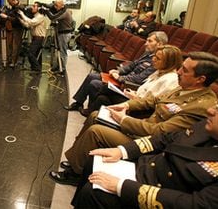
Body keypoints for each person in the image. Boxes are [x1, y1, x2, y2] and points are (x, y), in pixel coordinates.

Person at [50, 51, 218, 186]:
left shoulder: (201, 106)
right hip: (143, 127)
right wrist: (127, 106)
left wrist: (124, 120)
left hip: (150, 143)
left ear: (200, 79)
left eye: (185, 70)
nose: (178, 72)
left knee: (96, 132)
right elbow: (153, 100)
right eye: (181, 67)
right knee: (96, 115)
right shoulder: (184, 88)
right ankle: (77, 160)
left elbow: (160, 132)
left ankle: (75, 174)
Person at [71, 104, 218, 208]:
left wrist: (122, 186)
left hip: (161, 195)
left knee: (94, 193)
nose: (211, 110)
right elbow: (164, 139)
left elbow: (196, 204)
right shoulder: (206, 127)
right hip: (148, 169)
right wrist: (121, 151)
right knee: (96, 161)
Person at [64, 31, 168, 113]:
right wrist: (118, 71)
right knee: (92, 76)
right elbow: (132, 65)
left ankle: (91, 109)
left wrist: (119, 78)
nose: (146, 44)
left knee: (94, 83)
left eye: (150, 41)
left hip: (128, 85)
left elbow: (138, 79)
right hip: (123, 79)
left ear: (159, 44)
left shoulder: (158, 61)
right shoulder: (148, 54)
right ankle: (78, 103)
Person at [84, 45, 182, 115]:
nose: (153, 60)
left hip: (140, 109)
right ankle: (92, 116)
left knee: (105, 88)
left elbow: (154, 103)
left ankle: (90, 112)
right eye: (154, 56)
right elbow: (143, 88)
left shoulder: (170, 80)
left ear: (169, 62)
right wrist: (133, 92)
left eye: (158, 58)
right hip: (134, 98)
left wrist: (135, 97)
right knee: (102, 98)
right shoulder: (158, 72)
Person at [43, 0, 74, 73]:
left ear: (62, 5)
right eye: (55, 5)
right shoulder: (62, 10)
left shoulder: (65, 12)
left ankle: (62, 68)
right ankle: (58, 66)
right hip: (61, 33)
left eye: (57, 5)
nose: (55, 7)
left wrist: (46, 11)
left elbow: (53, 17)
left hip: (64, 34)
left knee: (62, 51)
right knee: (59, 51)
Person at [18, 2, 46, 72]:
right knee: (37, 55)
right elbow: (28, 25)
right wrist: (20, 19)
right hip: (36, 38)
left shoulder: (40, 16)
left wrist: (22, 14)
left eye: (34, 6)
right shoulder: (35, 17)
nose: (32, 8)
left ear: (39, 8)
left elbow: (31, 22)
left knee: (30, 54)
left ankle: (37, 68)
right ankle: (37, 68)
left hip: (38, 38)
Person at [0, 0, 25, 68]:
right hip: (12, 29)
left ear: (14, 0)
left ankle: (14, 62)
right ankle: (10, 60)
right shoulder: (14, 7)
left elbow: (17, 20)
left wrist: (6, 16)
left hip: (18, 29)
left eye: (10, 2)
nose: (9, 4)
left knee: (15, 46)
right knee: (10, 45)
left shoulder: (20, 7)